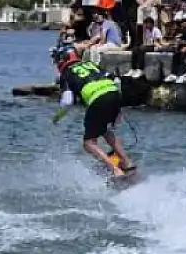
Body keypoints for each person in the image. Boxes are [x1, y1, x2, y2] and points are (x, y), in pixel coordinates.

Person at [51, 44, 135, 178]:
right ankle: (127, 162)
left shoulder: (66, 74)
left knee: (88, 143)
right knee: (104, 130)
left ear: (62, 60)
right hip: (114, 93)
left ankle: (115, 170)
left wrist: (57, 117)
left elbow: (67, 102)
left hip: (98, 99)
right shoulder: (90, 64)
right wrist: (118, 108)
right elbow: (115, 79)